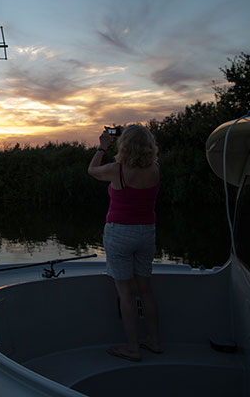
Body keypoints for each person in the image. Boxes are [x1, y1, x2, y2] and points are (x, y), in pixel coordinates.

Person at [88, 124, 162, 362]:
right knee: (146, 290)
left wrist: (102, 146)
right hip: (146, 233)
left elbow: (92, 170)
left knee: (126, 294)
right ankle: (153, 341)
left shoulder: (116, 170)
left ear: (125, 145)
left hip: (119, 233)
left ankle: (132, 347)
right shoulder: (156, 170)